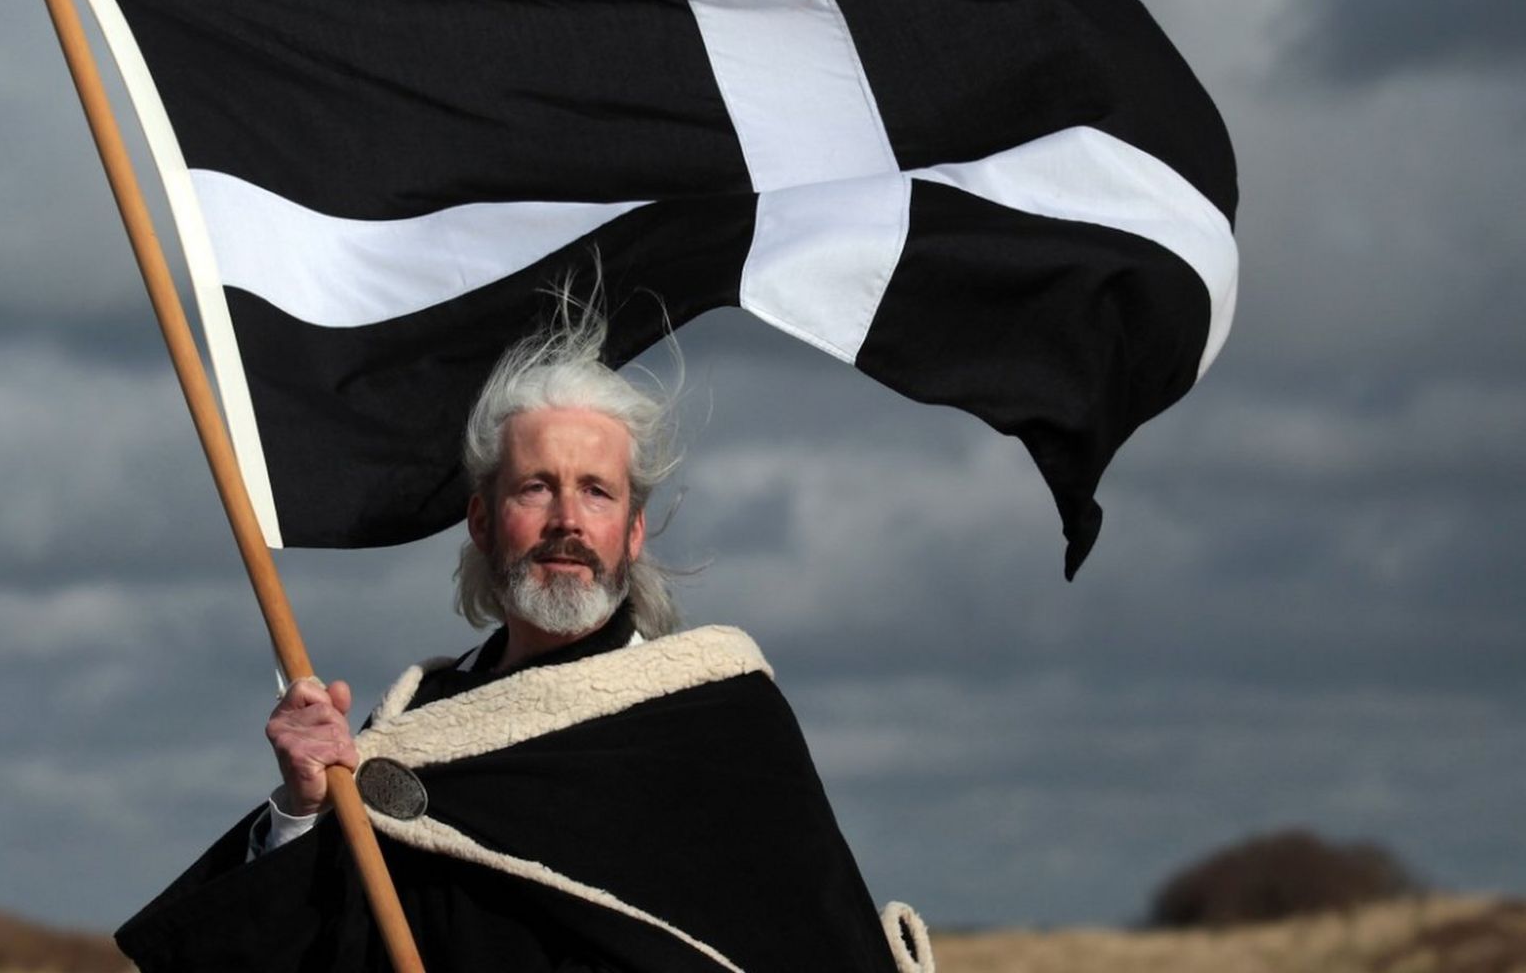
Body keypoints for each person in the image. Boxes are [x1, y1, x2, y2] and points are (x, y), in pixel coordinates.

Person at [115, 304, 933, 973]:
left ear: (635, 530)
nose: (568, 521)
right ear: (481, 519)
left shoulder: (720, 718)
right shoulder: (416, 735)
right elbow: (310, 951)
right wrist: (304, 808)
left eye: (597, 493)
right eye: (537, 487)